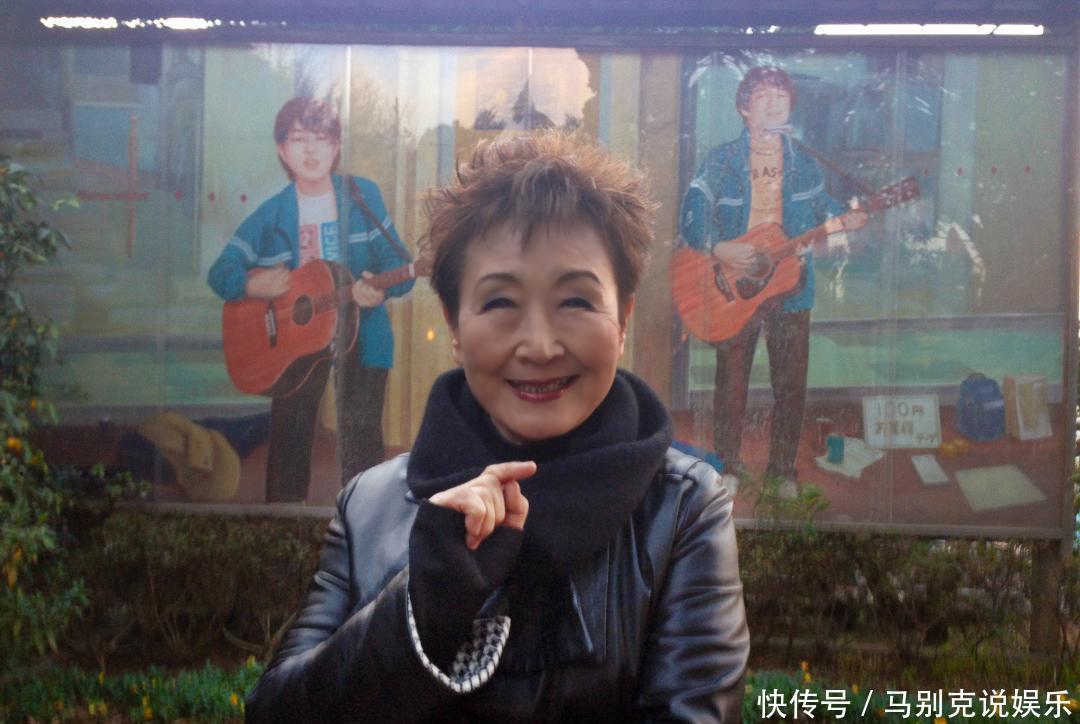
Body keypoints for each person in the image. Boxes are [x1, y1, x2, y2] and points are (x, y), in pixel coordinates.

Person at [245, 132, 749, 722]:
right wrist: (423, 605)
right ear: (453, 324)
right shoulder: (370, 506)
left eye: (577, 301)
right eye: (500, 303)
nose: (539, 346)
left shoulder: (682, 507)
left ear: (623, 319)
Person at [207, 97, 417, 502]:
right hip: (293, 345)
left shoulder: (361, 196)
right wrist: (253, 285)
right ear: (281, 149)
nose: (310, 150)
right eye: (298, 138)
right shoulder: (272, 213)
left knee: (361, 435)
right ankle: (283, 519)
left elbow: (399, 264)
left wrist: (380, 289)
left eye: (321, 138)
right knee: (290, 433)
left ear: (336, 146)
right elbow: (221, 272)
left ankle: (364, 518)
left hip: (361, 336)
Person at [678, 66, 867, 492]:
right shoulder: (722, 160)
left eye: (780, 97)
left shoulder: (804, 163)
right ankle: (728, 466)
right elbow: (693, 208)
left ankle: (783, 470)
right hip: (734, 287)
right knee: (731, 384)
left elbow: (820, 207)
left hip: (790, 286)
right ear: (744, 108)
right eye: (762, 96)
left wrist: (846, 217)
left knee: (791, 384)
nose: (773, 105)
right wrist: (717, 247)